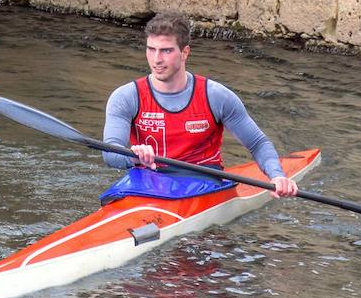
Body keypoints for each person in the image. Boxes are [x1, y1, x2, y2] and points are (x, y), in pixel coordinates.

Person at [102, 12, 299, 198]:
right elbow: (110, 152)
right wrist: (134, 157)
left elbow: (257, 143)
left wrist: (277, 175)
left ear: (184, 53)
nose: (156, 60)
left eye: (166, 51)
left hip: (202, 181)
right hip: (146, 181)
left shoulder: (216, 96)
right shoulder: (126, 97)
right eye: (151, 49)